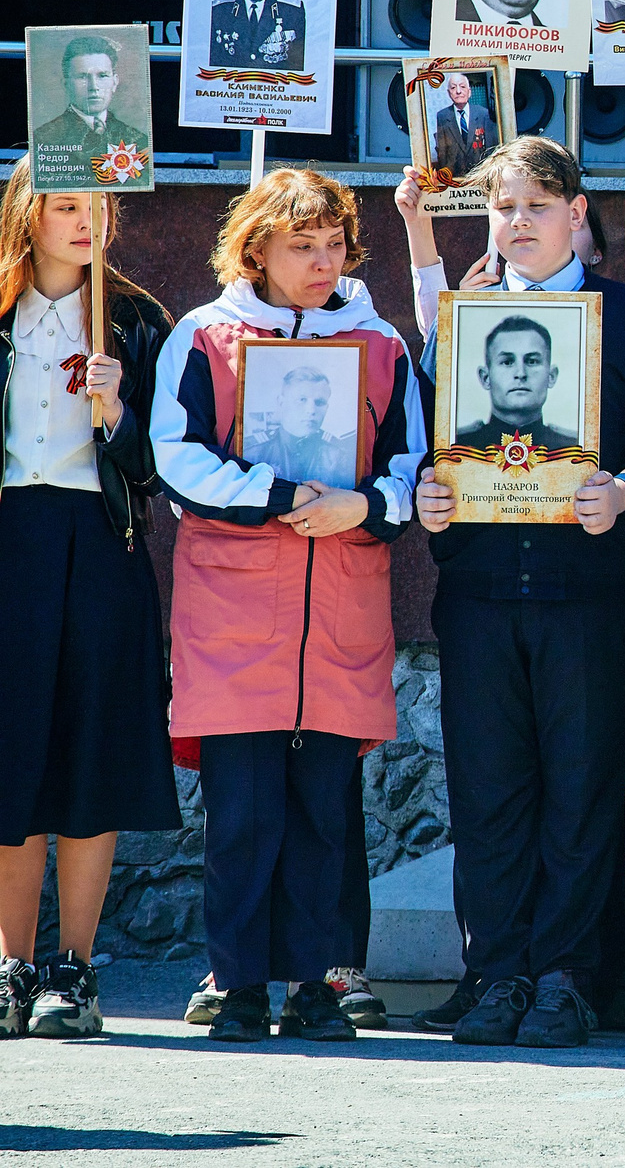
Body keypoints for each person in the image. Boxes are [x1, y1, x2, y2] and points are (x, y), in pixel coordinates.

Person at [418, 138, 625, 1051]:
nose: (518, 221)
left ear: (578, 212)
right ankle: (495, 971)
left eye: (536, 203)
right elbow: (426, 446)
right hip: (483, 592)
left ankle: (567, 975)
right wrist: (430, 495)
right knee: (489, 793)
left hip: (591, 599)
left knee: (581, 791)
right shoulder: (464, 322)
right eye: (503, 207)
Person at [153, 169, 425, 1045]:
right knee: (242, 813)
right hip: (234, 613)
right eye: (301, 244)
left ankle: (317, 983)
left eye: (334, 243)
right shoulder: (203, 335)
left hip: (341, 606)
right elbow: (176, 458)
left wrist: (367, 506)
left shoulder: (380, 341)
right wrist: (275, 492)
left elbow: (413, 464)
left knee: (323, 810)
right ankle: (236, 987)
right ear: (257, 247)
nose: (321, 260)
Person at [0, 169, 177, 1042]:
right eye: (64, 204)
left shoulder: (140, 322)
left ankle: (73, 964)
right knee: (11, 752)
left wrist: (118, 416)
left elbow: (160, 478)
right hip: (11, 541)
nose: (83, 220)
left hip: (102, 542)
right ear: (27, 214)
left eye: (94, 205)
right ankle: (11, 961)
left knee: (90, 747)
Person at [453, 313, 580, 453]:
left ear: (551, 376)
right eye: (507, 362)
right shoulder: (457, 446)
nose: (521, 373)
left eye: (532, 361)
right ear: (485, 378)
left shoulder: (573, 448)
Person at [32, 35, 148, 167]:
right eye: (82, 77)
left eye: (102, 76)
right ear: (66, 84)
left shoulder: (137, 140)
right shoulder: (44, 139)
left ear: (114, 82)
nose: (93, 87)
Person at [243, 362, 357, 487]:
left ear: (327, 407)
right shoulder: (253, 450)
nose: (311, 410)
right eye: (302, 400)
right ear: (281, 402)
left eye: (319, 402)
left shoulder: (339, 456)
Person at [431, 69, 500, 179]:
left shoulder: (483, 113)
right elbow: (442, 150)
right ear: (449, 93)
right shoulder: (442, 116)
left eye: (462, 87)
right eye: (453, 88)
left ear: (469, 92)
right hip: (456, 176)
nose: (458, 91)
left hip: (480, 174)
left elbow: (491, 146)